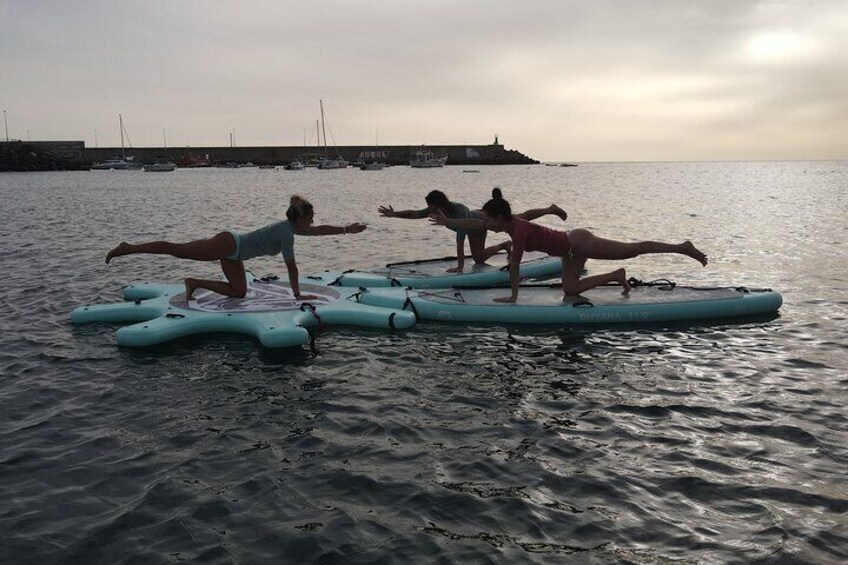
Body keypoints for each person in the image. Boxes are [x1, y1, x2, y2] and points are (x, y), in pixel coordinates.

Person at [430, 188, 708, 302]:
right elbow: (475, 224)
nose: (487, 225)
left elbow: (514, 267)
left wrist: (513, 297)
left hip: (579, 242)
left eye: (490, 220)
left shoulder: (520, 229)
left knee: (632, 249)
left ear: (500, 218)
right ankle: (616, 276)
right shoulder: (511, 222)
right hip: (568, 251)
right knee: (570, 290)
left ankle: (682, 247)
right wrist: (447, 223)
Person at [105, 195, 366, 300]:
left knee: (239, 292)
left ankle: (194, 283)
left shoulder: (291, 227)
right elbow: (292, 267)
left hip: (235, 254)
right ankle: (129, 248)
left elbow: (319, 231)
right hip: (229, 243)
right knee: (179, 249)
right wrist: (297, 295)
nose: (314, 219)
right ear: (300, 218)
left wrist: (346, 229)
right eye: (311, 215)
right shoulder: (287, 233)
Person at [378, 189, 567, 272]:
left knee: (520, 218)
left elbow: (461, 239)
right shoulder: (437, 210)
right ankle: (504, 244)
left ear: (440, 204)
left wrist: (460, 267)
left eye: (432, 207)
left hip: (478, 225)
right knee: (479, 259)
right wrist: (393, 215)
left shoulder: (457, 210)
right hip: (478, 222)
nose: (430, 210)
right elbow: (414, 214)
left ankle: (550, 209)